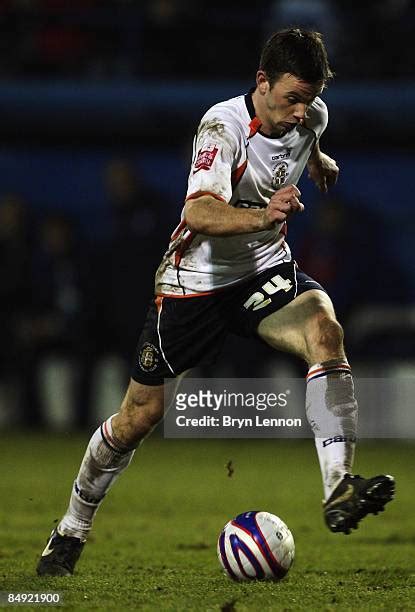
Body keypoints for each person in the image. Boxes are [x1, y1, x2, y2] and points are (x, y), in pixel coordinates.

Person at [36, 28, 395, 577]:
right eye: (291, 98)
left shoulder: (313, 117)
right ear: (261, 82)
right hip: (195, 284)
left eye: (310, 99)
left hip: (262, 271)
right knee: (139, 417)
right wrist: (263, 216)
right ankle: (71, 529)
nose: (301, 112)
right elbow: (201, 213)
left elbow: (303, 140)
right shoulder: (220, 126)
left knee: (325, 332)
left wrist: (319, 161)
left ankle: (339, 487)